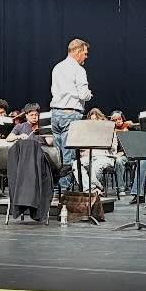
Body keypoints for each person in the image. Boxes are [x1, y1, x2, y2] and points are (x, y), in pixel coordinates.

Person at [49, 37, 91, 186]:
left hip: (55, 114)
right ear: (78, 52)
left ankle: (55, 190)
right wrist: (90, 94)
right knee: (68, 156)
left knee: (56, 155)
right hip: (70, 114)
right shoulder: (78, 70)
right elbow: (83, 94)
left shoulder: (57, 67)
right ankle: (65, 191)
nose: (86, 57)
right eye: (85, 53)